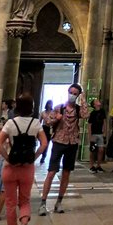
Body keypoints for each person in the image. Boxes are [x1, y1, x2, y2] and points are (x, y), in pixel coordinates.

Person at [0, 93, 47, 225]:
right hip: (27, 168)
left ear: (17, 106)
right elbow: (44, 144)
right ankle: (24, 222)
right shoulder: (36, 123)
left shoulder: (10, 123)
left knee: (10, 202)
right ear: (31, 106)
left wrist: (7, 157)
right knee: (25, 200)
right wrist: (34, 157)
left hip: (11, 167)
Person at [39, 83, 89, 214]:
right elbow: (48, 122)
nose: (72, 95)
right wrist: (56, 119)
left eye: (75, 94)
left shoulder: (77, 109)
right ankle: (43, 202)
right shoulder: (59, 108)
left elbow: (85, 115)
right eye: (71, 92)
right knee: (51, 172)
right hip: (58, 141)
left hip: (72, 143)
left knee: (66, 173)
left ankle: (59, 202)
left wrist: (83, 99)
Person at [88, 97, 106, 172]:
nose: (98, 101)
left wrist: (104, 132)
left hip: (100, 133)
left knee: (101, 150)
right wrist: (90, 135)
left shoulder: (102, 111)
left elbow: (104, 122)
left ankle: (98, 165)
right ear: (94, 105)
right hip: (94, 133)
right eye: (96, 101)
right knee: (93, 150)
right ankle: (91, 165)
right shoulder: (92, 113)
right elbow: (89, 124)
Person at [40, 99, 55, 165]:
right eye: (49, 104)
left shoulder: (53, 112)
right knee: (42, 142)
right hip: (44, 128)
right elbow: (40, 121)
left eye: (51, 104)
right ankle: (42, 153)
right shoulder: (43, 112)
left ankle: (44, 156)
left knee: (47, 143)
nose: (50, 105)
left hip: (50, 128)